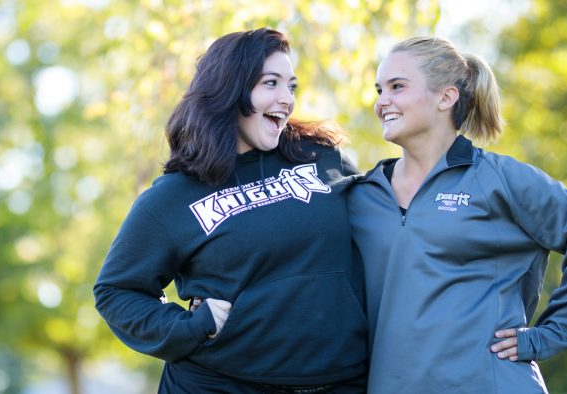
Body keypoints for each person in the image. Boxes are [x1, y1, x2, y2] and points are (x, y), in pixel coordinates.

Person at [346, 36, 567, 393]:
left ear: (446, 97)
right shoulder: (360, 197)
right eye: (379, 89)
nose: (382, 101)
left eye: (397, 87)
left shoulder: (498, 180)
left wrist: (548, 335)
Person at [94, 28, 367, 393]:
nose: (286, 99)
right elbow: (116, 290)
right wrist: (190, 327)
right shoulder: (175, 195)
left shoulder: (322, 158)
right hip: (221, 383)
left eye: (292, 86)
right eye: (271, 83)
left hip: (341, 380)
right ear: (230, 88)